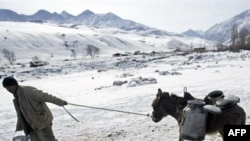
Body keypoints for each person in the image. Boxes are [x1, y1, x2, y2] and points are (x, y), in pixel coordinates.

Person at [2, 76, 68, 141]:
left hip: (42, 123)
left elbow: (45, 96)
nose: (8, 90)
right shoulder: (17, 98)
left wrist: (60, 102)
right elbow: (21, 115)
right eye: (6, 88)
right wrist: (18, 128)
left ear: (15, 84)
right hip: (32, 126)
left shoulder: (28, 91)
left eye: (9, 87)